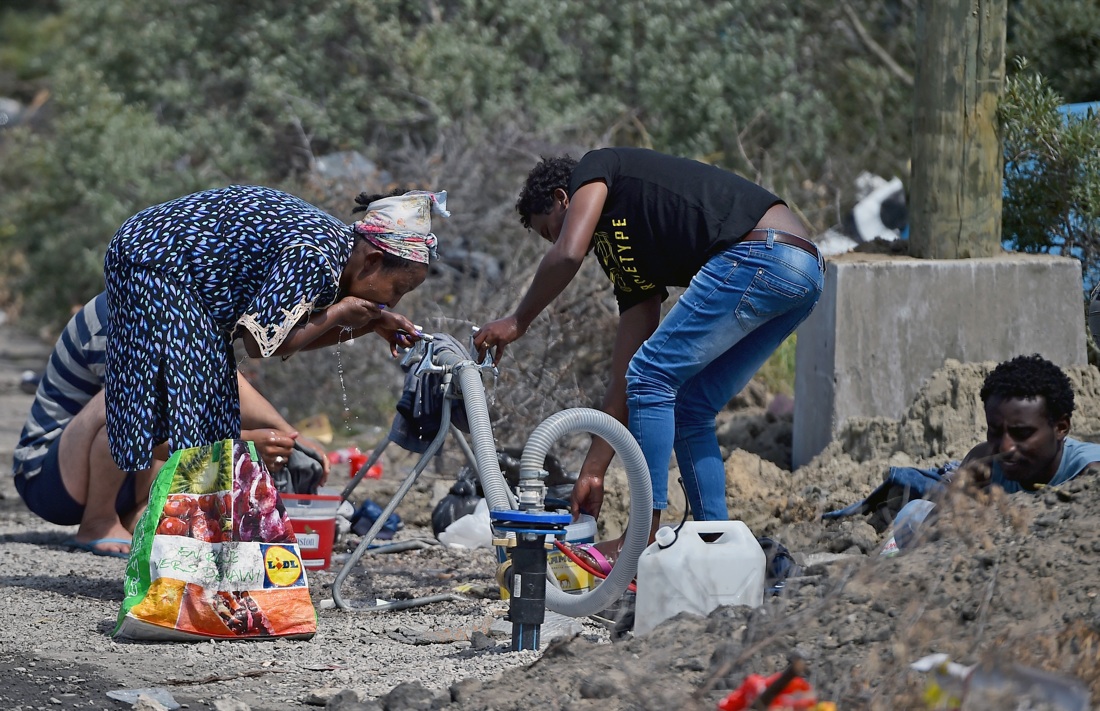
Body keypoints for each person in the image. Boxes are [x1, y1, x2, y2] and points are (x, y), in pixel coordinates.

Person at [474, 147, 825, 570]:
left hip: (763, 252)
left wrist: (518, 320)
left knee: (653, 377)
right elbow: (629, 370)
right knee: (689, 403)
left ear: (563, 198)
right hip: (801, 270)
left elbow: (567, 253)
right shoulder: (623, 252)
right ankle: (718, 549)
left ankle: (642, 538)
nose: (561, 243)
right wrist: (594, 469)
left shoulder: (596, 168)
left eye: (549, 230)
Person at [102, 185, 447, 476]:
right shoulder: (314, 257)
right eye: (397, 288)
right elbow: (261, 344)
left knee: (213, 409)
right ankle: (187, 529)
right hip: (154, 259)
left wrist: (369, 324)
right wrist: (344, 313)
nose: (395, 302)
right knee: (190, 405)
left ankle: (200, 527)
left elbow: (288, 337)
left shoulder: (336, 254)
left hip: (173, 271)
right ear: (372, 261)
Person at [12, 292, 330, 557]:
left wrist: (289, 434)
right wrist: (243, 441)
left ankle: (134, 510)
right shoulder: (124, 318)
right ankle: (97, 521)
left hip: (110, 472)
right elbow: (136, 424)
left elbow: (227, 383)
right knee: (131, 397)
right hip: (49, 479)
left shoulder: (180, 311)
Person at [959, 353, 1100, 492]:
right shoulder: (983, 464)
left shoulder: (1091, 473)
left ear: (1060, 428)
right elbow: (942, 512)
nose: (1005, 448)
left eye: (1022, 433)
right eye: (995, 431)